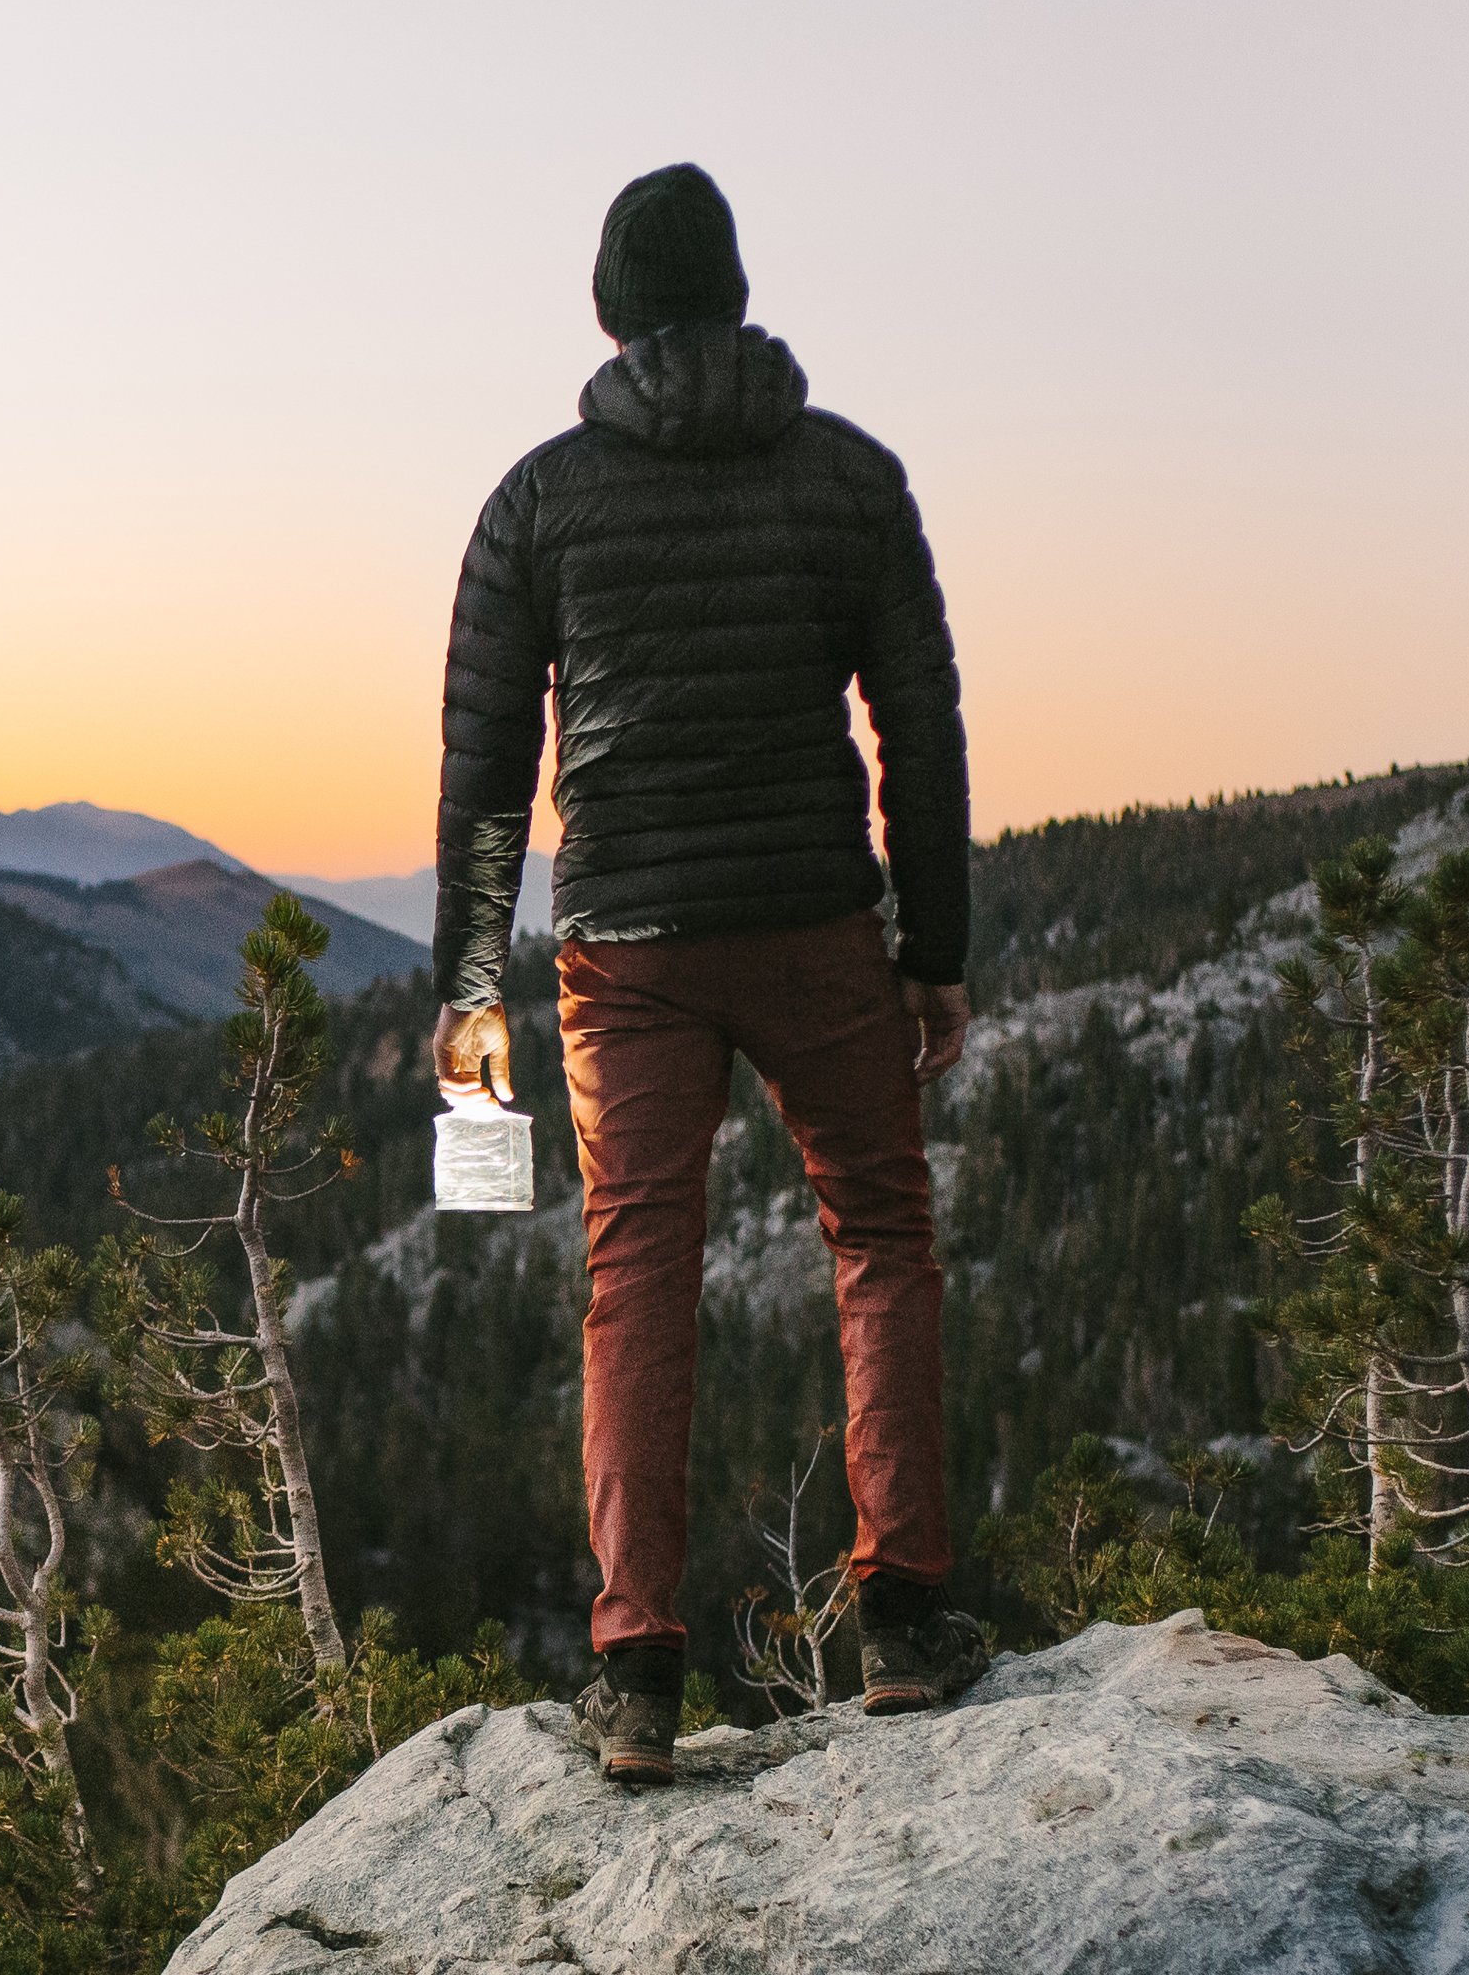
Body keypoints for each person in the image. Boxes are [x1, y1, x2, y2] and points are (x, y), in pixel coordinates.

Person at [431, 163, 985, 1784]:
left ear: (610, 310)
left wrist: (474, 992)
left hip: (629, 959)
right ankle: (902, 1623)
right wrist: (932, 953)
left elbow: (483, 779)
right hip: (818, 924)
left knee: (637, 1275)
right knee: (879, 1236)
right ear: (736, 294)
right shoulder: (849, 480)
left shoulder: (536, 502)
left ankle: (637, 1675)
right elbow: (923, 728)